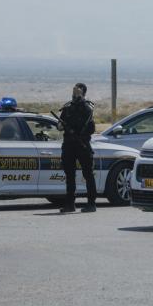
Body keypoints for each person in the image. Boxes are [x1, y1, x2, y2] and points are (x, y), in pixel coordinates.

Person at [58, 83, 96, 213]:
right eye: (73, 92)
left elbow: (90, 126)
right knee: (69, 175)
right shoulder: (68, 107)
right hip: (69, 145)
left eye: (77, 92)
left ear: (83, 93)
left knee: (88, 174)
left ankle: (91, 204)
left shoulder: (87, 107)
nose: (74, 94)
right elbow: (60, 125)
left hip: (82, 145)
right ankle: (70, 204)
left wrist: (80, 99)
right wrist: (62, 125)